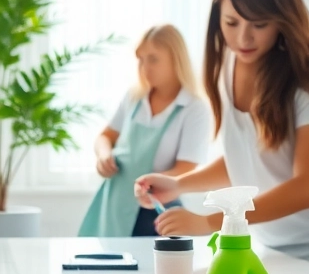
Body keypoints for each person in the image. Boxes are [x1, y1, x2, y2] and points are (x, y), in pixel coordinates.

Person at [135, 0, 309, 274]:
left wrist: (210, 223)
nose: (243, 39)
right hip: (271, 253)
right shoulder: (227, 68)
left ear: (282, 19)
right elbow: (245, 160)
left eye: (259, 25)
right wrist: (178, 185)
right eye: (232, 23)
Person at [79, 24, 212, 237]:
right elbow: (105, 137)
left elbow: (185, 170)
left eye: (153, 59)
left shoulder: (194, 109)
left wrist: (150, 183)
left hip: (155, 209)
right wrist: (104, 155)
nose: (144, 67)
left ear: (176, 59)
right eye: (140, 59)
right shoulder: (134, 98)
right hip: (114, 204)